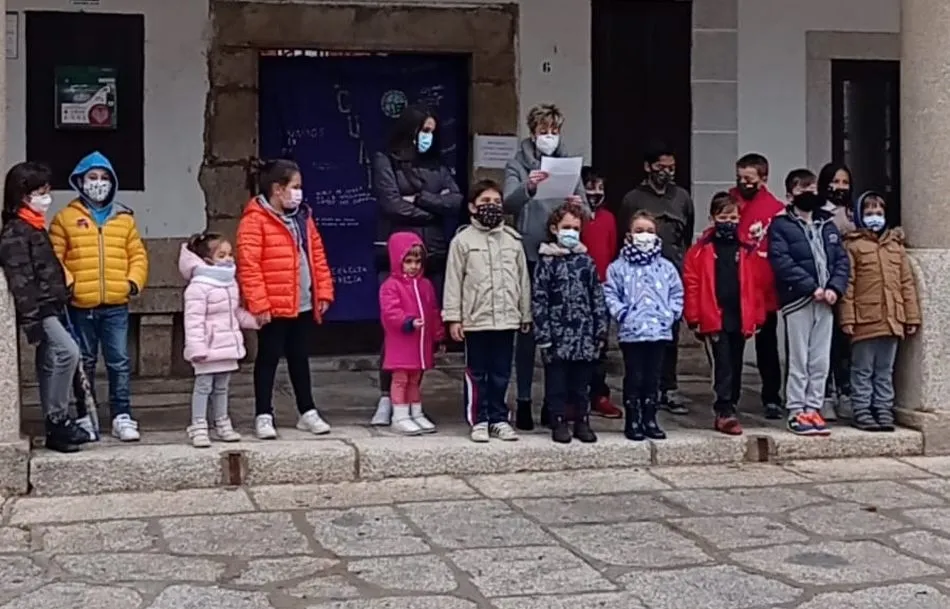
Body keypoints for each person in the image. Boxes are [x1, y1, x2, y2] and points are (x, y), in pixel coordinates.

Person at [370, 105, 462, 427]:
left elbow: (456, 201)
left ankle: (413, 400)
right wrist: (433, 209)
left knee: (424, 331)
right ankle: (388, 397)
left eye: (432, 132)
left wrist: (422, 200)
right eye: (424, 130)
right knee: (395, 328)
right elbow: (391, 204)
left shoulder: (437, 164)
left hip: (432, 254)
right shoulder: (386, 160)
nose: (428, 137)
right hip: (397, 252)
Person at [49, 152, 148, 442]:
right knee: (85, 362)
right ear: (80, 182)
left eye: (104, 178)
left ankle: (122, 415)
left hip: (116, 305)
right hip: (81, 305)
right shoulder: (65, 218)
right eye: (92, 177)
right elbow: (56, 257)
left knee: (119, 361)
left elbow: (138, 255)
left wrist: (132, 282)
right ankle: (85, 415)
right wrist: (70, 284)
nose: (98, 183)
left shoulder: (124, 219)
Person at [503, 103, 589, 431]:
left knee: (559, 333)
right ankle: (523, 399)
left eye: (554, 132)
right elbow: (509, 202)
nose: (549, 137)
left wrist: (579, 206)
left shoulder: (568, 164)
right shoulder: (517, 164)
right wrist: (529, 187)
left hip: (562, 259)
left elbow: (589, 215)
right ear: (532, 132)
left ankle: (554, 403)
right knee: (527, 333)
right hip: (530, 253)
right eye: (543, 132)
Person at [237, 159, 335, 440]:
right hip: (273, 305)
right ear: (277, 189)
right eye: (295, 187)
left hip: (301, 300)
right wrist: (259, 303)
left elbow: (316, 255)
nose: (299, 193)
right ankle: (263, 414)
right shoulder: (254, 220)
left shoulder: (303, 217)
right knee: (267, 358)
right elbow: (249, 265)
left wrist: (323, 291)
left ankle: (307, 410)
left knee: (299, 357)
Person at [0, 162, 91, 453]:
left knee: (52, 362)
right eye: (41, 192)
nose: (46, 198)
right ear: (24, 195)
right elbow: (21, 279)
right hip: (41, 309)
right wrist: (32, 318)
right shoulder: (16, 232)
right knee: (68, 352)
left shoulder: (34, 227)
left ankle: (57, 425)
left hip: (54, 304)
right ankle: (57, 417)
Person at [444, 179, 531, 443]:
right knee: (478, 372)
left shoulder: (513, 241)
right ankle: (479, 419)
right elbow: (453, 281)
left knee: (502, 371)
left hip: (506, 319)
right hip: (476, 319)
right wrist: (453, 318)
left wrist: (525, 313)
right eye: (485, 202)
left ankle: (499, 418)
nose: (491, 207)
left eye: (495, 202)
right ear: (472, 207)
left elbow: (522, 279)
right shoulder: (462, 241)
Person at [768, 169, 850, 436]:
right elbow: (782, 261)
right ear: (790, 193)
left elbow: (840, 261)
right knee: (799, 359)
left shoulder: (827, 224)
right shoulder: (781, 224)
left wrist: (834, 288)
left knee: (820, 359)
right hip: (798, 300)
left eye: (813, 187)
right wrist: (810, 287)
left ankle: (814, 407)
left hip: (826, 301)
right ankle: (796, 409)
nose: (809, 192)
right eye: (803, 188)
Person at [618, 143, 695, 415]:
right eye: (661, 167)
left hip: (669, 274)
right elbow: (623, 234)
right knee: (638, 341)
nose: (666, 173)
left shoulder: (682, 197)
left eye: (671, 168)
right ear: (648, 167)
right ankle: (639, 392)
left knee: (670, 335)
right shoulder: (633, 199)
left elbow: (687, 236)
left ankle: (669, 388)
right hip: (638, 277)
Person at [683, 192, 765, 436]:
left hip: (739, 316)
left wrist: (757, 317)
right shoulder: (700, 251)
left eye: (733, 217)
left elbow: (756, 287)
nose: (728, 221)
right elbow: (692, 284)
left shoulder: (747, 250)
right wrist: (694, 317)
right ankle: (723, 408)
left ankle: (733, 403)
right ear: (712, 218)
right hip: (713, 316)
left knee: (737, 363)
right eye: (723, 216)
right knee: (722, 364)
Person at [840, 191, 920, 432]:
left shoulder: (896, 248)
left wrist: (911, 315)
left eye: (878, 213)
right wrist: (848, 317)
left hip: (892, 318)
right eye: (869, 213)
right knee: (863, 368)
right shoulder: (853, 246)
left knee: (885, 369)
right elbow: (848, 285)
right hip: (865, 319)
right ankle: (862, 409)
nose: (874, 217)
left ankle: (883, 408)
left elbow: (906, 283)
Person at [604, 210, 683, 442]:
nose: (644, 236)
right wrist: (623, 314)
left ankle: (650, 418)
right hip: (632, 333)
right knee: (635, 376)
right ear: (629, 235)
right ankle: (633, 419)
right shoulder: (618, 268)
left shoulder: (665, 268)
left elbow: (677, 293)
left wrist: (670, 314)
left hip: (659, 331)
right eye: (639, 231)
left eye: (649, 231)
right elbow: (610, 293)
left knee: (653, 377)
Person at [533, 202, 608, 444]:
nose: (571, 232)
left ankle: (582, 421)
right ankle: (558, 420)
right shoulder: (547, 262)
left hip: (584, 337)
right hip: (557, 337)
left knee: (581, 384)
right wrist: (543, 334)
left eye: (576, 228)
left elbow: (596, 296)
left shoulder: (586, 261)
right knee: (557, 384)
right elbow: (539, 299)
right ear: (555, 229)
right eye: (566, 227)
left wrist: (600, 329)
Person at [179, 232, 259, 448]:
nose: (229, 259)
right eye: (222, 255)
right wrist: (196, 347)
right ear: (207, 260)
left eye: (229, 254)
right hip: (207, 346)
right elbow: (193, 320)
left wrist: (253, 320)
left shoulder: (230, 283)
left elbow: (233, 312)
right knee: (203, 386)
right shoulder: (198, 286)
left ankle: (222, 422)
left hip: (226, 345)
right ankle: (198, 425)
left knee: (222, 387)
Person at [732, 153, 785, 420]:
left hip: (764, 289)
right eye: (740, 178)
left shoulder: (775, 210)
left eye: (749, 179)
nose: (743, 183)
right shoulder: (729, 202)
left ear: (763, 179)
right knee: (732, 348)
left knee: (767, 347)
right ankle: (729, 397)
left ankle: (772, 397)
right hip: (735, 286)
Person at [378, 232, 444, 435]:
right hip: (402, 341)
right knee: (400, 380)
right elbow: (390, 313)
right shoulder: (390, 286)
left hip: (420, 342)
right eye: (408, 261)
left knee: (415, 379)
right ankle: (399, 415)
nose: (414, 266)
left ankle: (416, 411)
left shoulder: (425, 285)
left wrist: (438, 335)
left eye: (417, 261)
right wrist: (407, 322)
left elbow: (433, 311)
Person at [579, 167, 621, 419]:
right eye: (590, 188)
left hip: (602, 287)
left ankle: (599, 393)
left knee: (600, 345)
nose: (594, 194)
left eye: (599, 189)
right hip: (577, 287)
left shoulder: (608, 218)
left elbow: (612, 249)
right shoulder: (574, 216)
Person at [817, 162, 856, 420]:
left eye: (845, 182)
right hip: (828, 281)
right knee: (826, 342)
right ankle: (826, 393)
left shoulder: (856, 213)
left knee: (847, 340)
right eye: (835, 182)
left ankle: (846, 390)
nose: (840, 187)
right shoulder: (819, 212)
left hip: (855, 283)